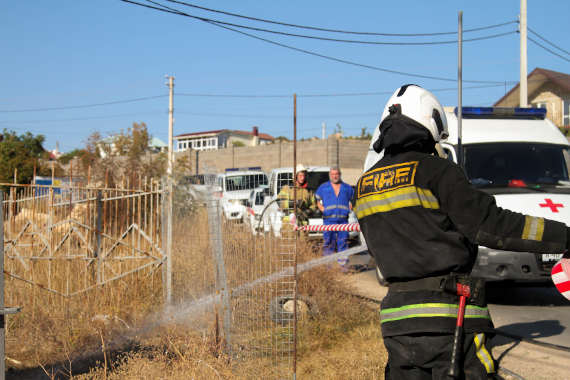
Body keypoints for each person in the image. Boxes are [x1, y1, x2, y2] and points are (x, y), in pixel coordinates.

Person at [354, 84, 570, 380]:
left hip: (396, 322)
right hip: (451, 318)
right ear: (430, 122)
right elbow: (493, 225)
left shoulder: (363, 186)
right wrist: (563, 236)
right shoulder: (437, 172)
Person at [315, 166, 354, 267]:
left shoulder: (347, 187)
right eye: (332, 174)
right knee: (328, 243)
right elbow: (317, 200)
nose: (335, 176)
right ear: (330, 175)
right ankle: (328, 268)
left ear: (339, 175)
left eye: (336, 174)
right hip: (329, 220)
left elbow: (354, 200)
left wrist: (350, 208)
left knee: (343, 242)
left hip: (343, 220)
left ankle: (343, 266)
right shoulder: (323, 187)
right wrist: (323, 209)